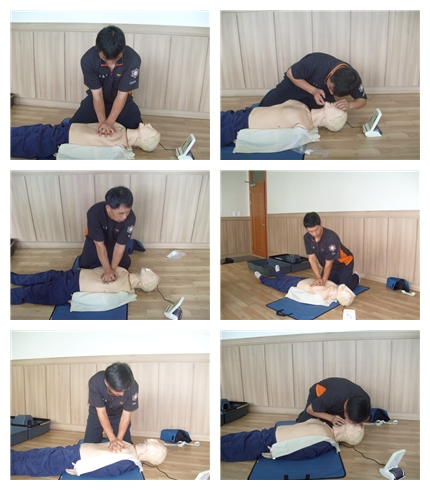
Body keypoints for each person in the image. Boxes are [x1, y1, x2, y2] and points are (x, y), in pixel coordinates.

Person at [70, 25, 143, 132]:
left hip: (122, 100)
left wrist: (109, 122)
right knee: (72, 127)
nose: (110, 63)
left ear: (123, 50)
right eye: (105, 58)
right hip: (96, 99)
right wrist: (103, 123)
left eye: (116, 58)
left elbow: (121, 95)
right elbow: (97, 95)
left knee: (137, 128)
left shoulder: (133, 59)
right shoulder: (88, 60)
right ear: (98, 50)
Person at [221, 418, 364, 462]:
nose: (349, 421)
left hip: (267, 444)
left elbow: (300, 452)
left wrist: (274, 452)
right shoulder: (326, 427)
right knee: (230, 438)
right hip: (266, 433)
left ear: (350, 436)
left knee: (227, 449)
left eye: (354, 425)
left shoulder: (327, 442)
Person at [259, 52, 367, 111]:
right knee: (264, 108)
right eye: (330, 88)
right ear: (331, 74)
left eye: (334, 93)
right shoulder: (316, 62)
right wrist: (313, 90)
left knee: (329, 115)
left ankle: (302, 104)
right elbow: (290, 73)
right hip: (296, 83)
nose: (331, 93)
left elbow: (362, 100)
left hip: (321, 94)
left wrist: (350, 105)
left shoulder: (352, 79)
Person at [11, 438, 167, 477]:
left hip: (72, 460)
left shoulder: (129, 461)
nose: (150, 440)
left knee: (35, 465)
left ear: (151, 455)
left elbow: (104, 470)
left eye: (153, 443)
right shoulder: (130, 445)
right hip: (71, 451)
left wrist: (79, 469)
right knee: (38, 454)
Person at [10, 266, 160, 306]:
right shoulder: (123, 271)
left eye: (151, 274)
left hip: (68, 288)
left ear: (146, 284)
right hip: (70, 275)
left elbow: (98, 303)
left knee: (28, 292)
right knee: (31, 279)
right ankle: (12, 277)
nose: (149, 270)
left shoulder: (124, 292)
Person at [10, 121, 160, 160]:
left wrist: (60, 151)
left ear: (144, 140)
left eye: (151, 129)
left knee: (21, 142)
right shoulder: (122, 128)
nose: (149, 125)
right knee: (26, 130)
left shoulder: (119, 149)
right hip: (62, 129)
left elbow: (88, 155)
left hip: (60, 140)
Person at [221, 100, 346, 146]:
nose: (338, 105)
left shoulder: (302, 127)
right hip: (242, 113)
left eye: (339, 110)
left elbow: (274, 141)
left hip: (236, 126)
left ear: (330, 120)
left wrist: (241, 137)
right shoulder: (303, 106)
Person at [81, 186, 135, 278]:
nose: (125, 217)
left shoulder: (130, 218)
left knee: (125, 265)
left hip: (115, 242)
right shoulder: (94, 213)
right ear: (108, 208)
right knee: (85, 265)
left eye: (128, 211)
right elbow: (99, 245)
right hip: (95, 242)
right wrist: (107, 269)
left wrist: (111, 270)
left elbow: (120, 246)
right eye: (121, 213)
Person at [84, 363, 139, 449]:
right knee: (88, 446)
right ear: (107, 383)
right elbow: (102, 413)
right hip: (98, 413)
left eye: (125, 390)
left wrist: (118, 440)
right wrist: (112, 438)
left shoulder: (133, 387)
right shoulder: (95, 382)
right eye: (118, 391)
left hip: (119, 414)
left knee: (126, 445)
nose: (122, 394)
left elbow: (126, 416)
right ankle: (104, 439)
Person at [303, 212, 359, 291]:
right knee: (327, 284)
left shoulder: (331, 238)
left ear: (321, 224)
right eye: (311, 231)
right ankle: (340, 277)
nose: (314, 234)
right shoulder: (307, 238)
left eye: (316, 230)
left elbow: (329, 263)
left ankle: (356, 277)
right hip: (329, 265)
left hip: (344, 263)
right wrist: (319, 277)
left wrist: (323, 280)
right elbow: (312, 259)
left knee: (345, 288)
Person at [254, 265, 355, 307]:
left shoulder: (325, 294)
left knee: (276, 283)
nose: (345, 288)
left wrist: (327, 286)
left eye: (345, 290)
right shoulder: (334, 288)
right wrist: (329, 285)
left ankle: (262, 278)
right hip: (304, 280)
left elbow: (313, 288)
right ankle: (278, 272)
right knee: (286, 277)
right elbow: (326, 281)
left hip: (296, 285)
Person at [296, 377, 371, 426]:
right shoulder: (331, 397)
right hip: (318, 393)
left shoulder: (365, 400)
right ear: (345, 408)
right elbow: (310, 409)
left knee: (339, 426)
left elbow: (366, 417)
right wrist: (331, 418)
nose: (353, 424)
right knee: (304, 425)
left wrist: (360, 422)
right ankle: (303, 416)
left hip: (334, 401)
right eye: (352, 421)